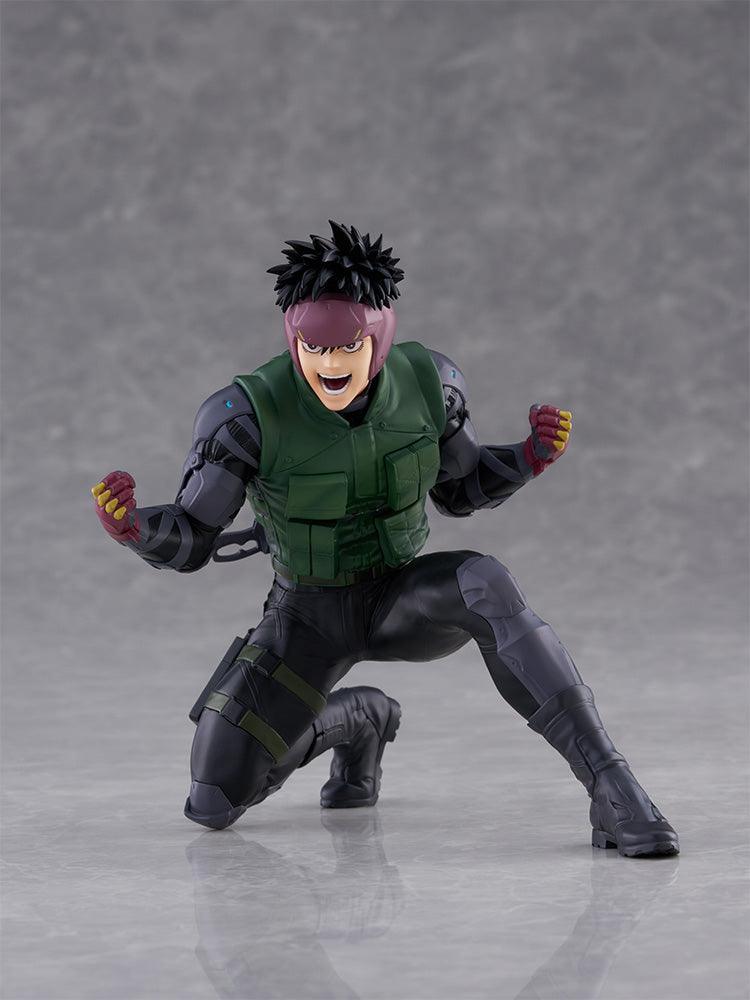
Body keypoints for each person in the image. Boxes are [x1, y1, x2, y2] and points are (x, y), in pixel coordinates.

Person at [92, 222, 679, 857]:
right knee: (213, 799)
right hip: (305, 616)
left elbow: (460, 489)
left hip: (400, 600)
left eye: (347, 345)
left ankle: (612, 785)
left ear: (380, 334)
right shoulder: (244, 416)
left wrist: (527, 457)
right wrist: (136, 528)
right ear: (292, 337)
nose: (330, 364)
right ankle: (358, 717)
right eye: (313, 347)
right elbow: (195, 535)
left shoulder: (431, 383)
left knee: (485, 581)